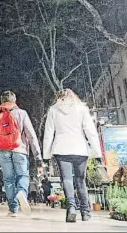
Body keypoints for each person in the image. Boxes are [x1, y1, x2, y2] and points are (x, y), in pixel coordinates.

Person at [43, 88, 102, 223]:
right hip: (80, 149)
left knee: (67, 180)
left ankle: (71, 209)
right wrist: (97, 152)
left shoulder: (53, 110)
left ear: (59, 97)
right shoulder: (81, 108)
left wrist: (46, 155)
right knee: (81, 181)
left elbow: (48, 133)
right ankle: (85, 212)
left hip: (61, 148)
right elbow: (90, 131)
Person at [0, 91, 42, 217]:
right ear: (14, 100)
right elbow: (31, 135)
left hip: (2, 150)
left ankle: (13, 207)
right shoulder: (22, 113)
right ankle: (22, 192)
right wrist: (37, 155)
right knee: (22, 175)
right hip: (20, 149)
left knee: (8, 179)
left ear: (2, 101)